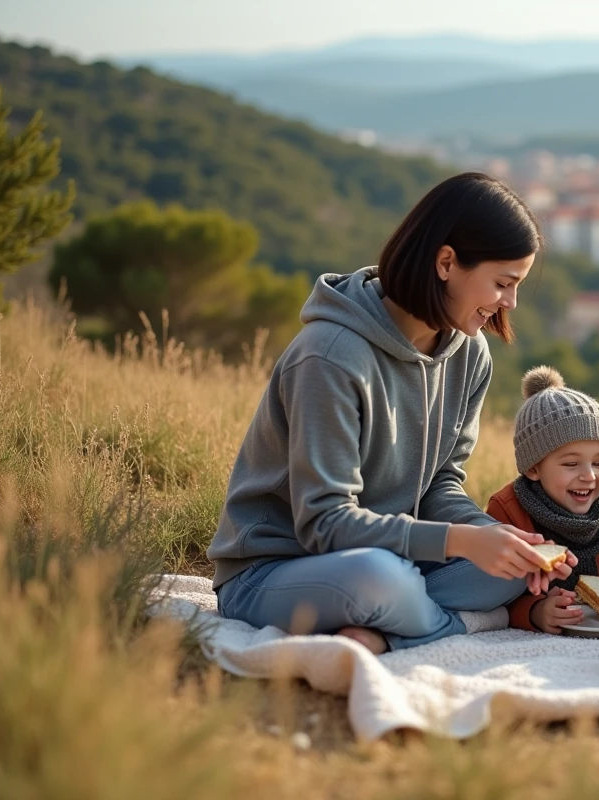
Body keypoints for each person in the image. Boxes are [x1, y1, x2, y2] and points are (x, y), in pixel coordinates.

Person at [208, 172, 570, 655]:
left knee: (510, 570)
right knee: (381, 580)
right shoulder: (330, 355)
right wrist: (458, 543)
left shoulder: (470, 353)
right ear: (446, 262)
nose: (511, 302)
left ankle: (386, 626)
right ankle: (458, 624)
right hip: (277, 568)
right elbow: (325, 525)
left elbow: (441, 484)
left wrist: (496, 539)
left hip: (393, 556)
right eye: (503, 283)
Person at [485, 366, 599, 634]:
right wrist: (534, 611)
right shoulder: (508, 509)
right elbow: (492, 589)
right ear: (533, 468)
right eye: (571, 464)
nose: (588, 476)